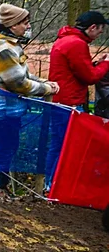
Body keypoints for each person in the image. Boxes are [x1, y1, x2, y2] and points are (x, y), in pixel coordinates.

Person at [0, 3, 59, 197]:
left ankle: (0, 183)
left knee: (9, 145)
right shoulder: (3, 49)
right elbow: (18, 83)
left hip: (11, 109)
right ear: (12, 24)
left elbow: (25, 74)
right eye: (24, 22)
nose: (27, 26)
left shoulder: (12, 45)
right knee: (6, 146)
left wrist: (44, 81)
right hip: (3, 110)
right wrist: (45, 89)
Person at [45, 11, 109, 188]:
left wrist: (96, 65)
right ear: (92, 27)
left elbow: (78, 71)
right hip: (69, 103)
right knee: (63, 145)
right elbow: (89, 77)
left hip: (61, 100)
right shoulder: (76, 44)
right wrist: (106, 64)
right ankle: (52, 185)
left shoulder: (65, 40)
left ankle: (52, 184)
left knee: (59, 144)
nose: (100, 34)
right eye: (100, 30)